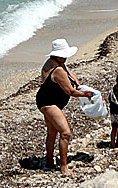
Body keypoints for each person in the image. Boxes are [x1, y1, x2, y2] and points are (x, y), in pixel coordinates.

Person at [35, 38, 94, 175]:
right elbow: (70, 92)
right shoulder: (57, 70)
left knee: (52, 132)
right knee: (65, 133)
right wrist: (86, 94)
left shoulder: (53, 62)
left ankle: (49, 162)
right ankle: (63, 166)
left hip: (46, 100)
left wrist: (77, 83)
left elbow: (69, 73)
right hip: (49, 103)